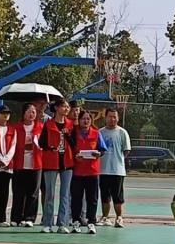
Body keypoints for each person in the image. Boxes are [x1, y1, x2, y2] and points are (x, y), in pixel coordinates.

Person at [38, 99, 74, 233]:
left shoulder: (71, 125)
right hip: (51, 162)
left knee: (65, 194)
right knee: (50, 194)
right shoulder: (48, 124)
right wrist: (50, 147)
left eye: (67, 107)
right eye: (64, 106)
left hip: (67, 162)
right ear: (57, 108)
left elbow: (75, 143)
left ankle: (62, 223)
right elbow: (41, 143)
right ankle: (47, 223)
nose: (66, 109)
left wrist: (68, 134)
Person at [69, 109, 107, 234]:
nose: (85, 121)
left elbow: (102, 149)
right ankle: (76, 222)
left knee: (92, 199)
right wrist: (75, 156)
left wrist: (98, 154)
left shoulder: (96, 133)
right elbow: (70, 150)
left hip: (92, 171)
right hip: (78, 172)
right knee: (76, 198)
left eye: (88, 119)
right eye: (83, 119)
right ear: (79, 120)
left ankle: (91, 222)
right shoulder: (73, 133)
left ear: (91, 120)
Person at [10, 104, 43, 227]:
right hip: (19, 163)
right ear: (23, 113)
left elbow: (44, 143)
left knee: (33, 192)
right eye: (29, 111)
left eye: (33, 112)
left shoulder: (40, 127)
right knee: (18, 192)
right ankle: (16, 218)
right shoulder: (16, 127)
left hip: (36, 164)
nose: (31, 114)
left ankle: (29, 218)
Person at [98, 108, 131, 228]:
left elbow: (126, 150)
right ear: (105, 117)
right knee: (105, 196)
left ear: (118, 118)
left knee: (117, 196)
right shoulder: (100, 132)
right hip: (103, 170)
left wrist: (117, 160)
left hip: (117, 171)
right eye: (110, 116)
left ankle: (119, 218)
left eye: (114, 117)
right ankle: (105, 217)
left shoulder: (122, 132)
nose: (112, 119)